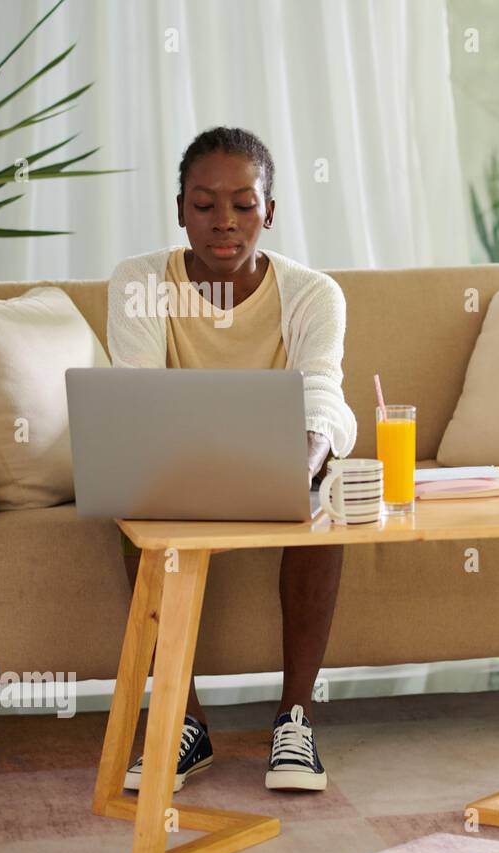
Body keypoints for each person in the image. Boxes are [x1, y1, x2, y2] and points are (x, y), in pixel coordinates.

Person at [106, 127, 358, 793]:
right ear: (180, 209)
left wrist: (303, 456)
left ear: (269, 212)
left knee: (323, 495)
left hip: (285, 462)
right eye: (205, 204)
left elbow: (323, 394)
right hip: (171, 465)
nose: (224, 222)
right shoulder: (139, 281)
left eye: (244, 205)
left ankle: (295, 721)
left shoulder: (313, 293)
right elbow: (133, 397)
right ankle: (180, 722)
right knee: (131, 507)